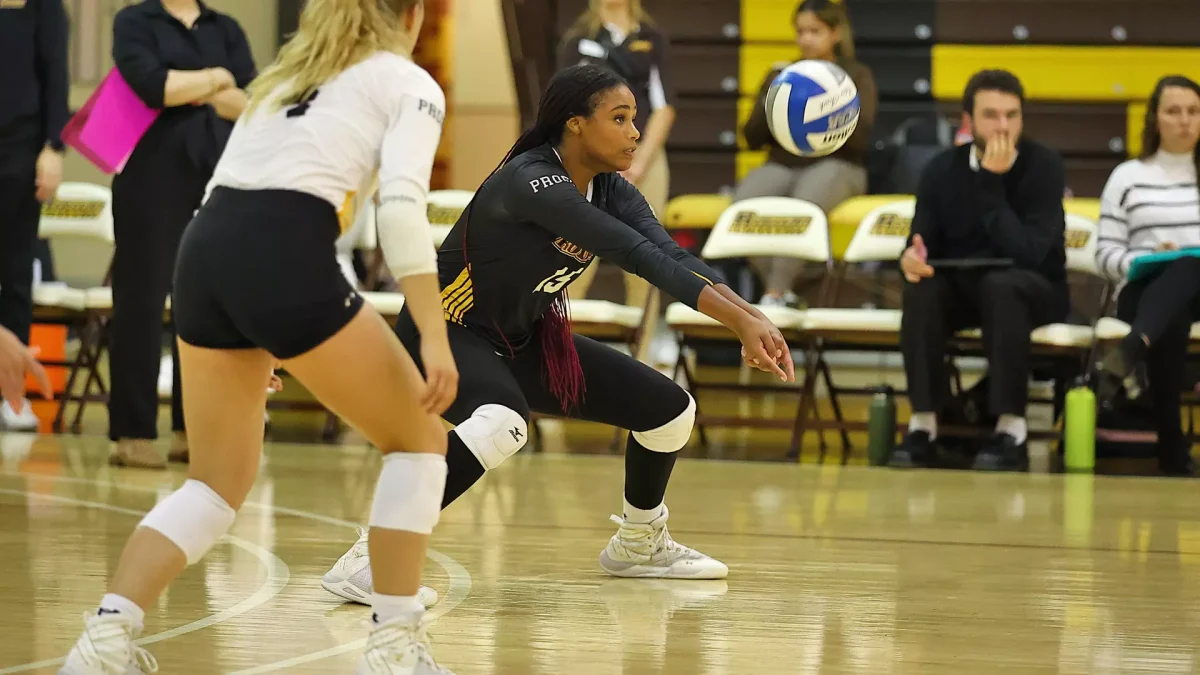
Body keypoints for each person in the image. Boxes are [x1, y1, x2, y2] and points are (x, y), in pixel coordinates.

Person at [59, 0, 460, 673]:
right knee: (420, 441)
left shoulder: (284, 77)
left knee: (214, 484)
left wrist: (259, 320)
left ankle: (105, 639)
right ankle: (394, 647)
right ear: (414, 14)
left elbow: (233, 189)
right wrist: (435, 336)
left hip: (204, 251)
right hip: (283, 249)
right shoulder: (409, 82)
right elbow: (400, 209)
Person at [321, 63, 795, 606]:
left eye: (635, 118)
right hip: (447, 331)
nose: (635, 132)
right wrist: (737, 320)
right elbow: (633, 255)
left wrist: (752, 316)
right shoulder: (532, 180)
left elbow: (669, 254)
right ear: (574, 124)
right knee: (502, 423)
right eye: (619, 118)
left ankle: (639, 544)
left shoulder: (610, 190)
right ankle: (371, 557)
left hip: (520, 338)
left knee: (670, 411)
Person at [889, 69, 1068, 472]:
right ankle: (924, 424)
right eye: (991, 115)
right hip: (963, 287)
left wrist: (990, 182)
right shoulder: (940, 170)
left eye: (1012, 115)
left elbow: (1029, 254)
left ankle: (1011, 429)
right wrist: (910, 259)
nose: (1003, 125)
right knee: (921, 290)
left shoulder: (1044, 167)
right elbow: (921, 240)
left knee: (1002, 285)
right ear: (968, 120)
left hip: (1036, 289)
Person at [106, 0, 257, 469]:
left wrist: (188, 86)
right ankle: (131, 433)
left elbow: (248, 102)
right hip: (149, 175)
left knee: (205, 302)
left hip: (216, 173)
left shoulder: (225, 27)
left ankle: (191, 429)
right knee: (141, 301)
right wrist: (215, 79)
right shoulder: (134, 20)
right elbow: (153, 87)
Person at [1093, 75, 1200, 477]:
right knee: (1170, 308)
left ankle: (1132, 348)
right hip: (1142, 290)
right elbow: (1103, 254)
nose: (1185, 121)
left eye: (1193, 111)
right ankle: (1173, 450)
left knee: (1190, 265)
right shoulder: (1126, 177)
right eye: (1174, 111)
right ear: (1155, 119)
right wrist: (1143, 260)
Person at [737, 0, 877, 307]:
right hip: (783, 164)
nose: (806, 39)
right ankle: (784, 289)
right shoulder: (782, 74)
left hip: (840, 165)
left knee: (806, 203)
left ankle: (774, 294)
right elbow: (751, 137)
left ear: (835, 33)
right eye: (800, 31)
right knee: (741, 206)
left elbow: (861, 137)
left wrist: (826, 105)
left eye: (814, 31)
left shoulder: (854, 75)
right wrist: (770, 97)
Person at [556, 0, 675, 316]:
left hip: (644, 156)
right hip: (588, 159)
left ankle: (642, 356)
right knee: (575, 253)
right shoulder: (577, 38)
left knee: (647, 260)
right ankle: (561, 350)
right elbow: (563, 106)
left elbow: (664, 107)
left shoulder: (652, 37)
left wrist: (637, 164)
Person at [0, 0, 68, 430]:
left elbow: (56, 76)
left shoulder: (44, 7)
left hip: (23, 147)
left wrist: (53, 147)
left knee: (16, 271)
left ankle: (11, 394)